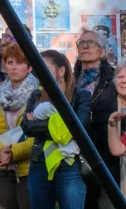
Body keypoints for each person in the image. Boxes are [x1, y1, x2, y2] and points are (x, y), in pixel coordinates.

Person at [24, 50, 87, 209]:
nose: (40, 72)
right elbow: (27, 127)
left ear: (61, 70)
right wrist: (61, 125)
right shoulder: (36, 95)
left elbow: (78, 127)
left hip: (70, 164)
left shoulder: (81, 95)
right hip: (39, 163)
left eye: (44, 67)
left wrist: (42, 123)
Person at [0, 44, 38, 209]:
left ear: (29, 67)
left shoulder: (39, 94)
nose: (13, 67)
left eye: (19, 63)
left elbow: (39, 134)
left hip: (29, 167)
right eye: (10, 62)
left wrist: (14, 152)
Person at [89, 61, 126, 209]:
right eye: (120, 77)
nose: (124, 81)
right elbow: (94, 140)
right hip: (110, 175)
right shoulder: (104, 106)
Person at [72, 32, 114, 110]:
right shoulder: (70, 79)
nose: (85, 46)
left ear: (102, 52)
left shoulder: (113, 79)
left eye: (91, 42)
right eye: (81, 42)